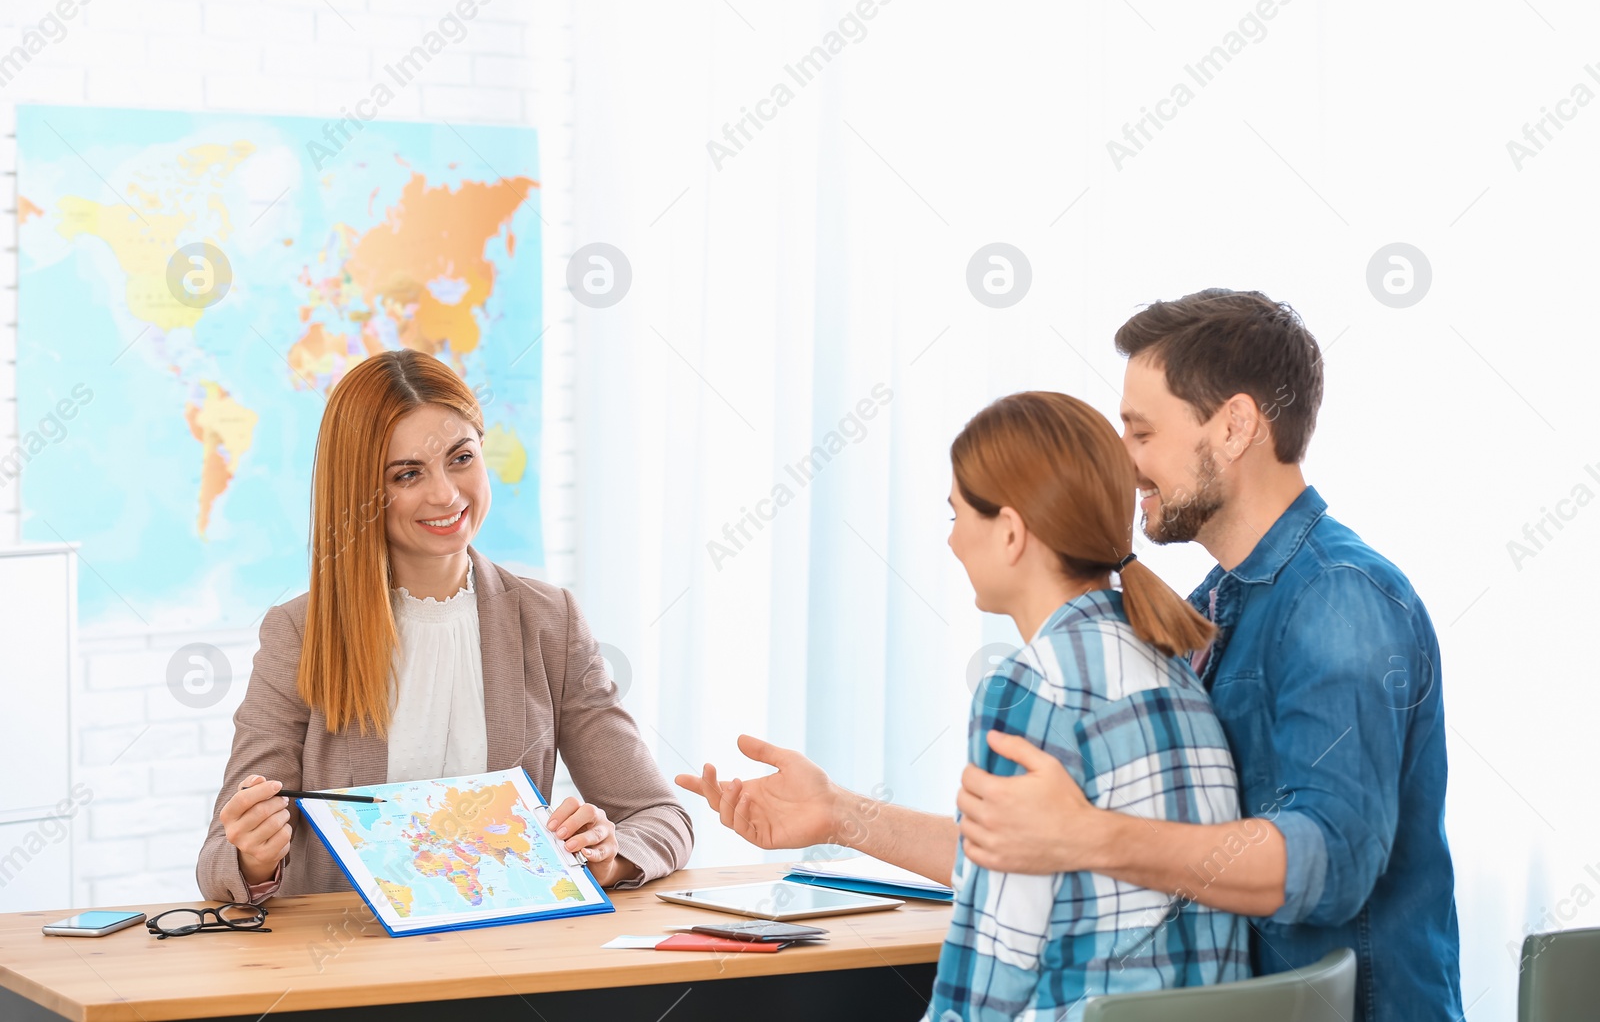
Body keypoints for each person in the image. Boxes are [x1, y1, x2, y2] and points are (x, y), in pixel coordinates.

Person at [678, 291, 1460, 1022]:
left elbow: (1333, 865)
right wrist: (842, 814)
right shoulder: (1205, 614)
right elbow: (1037, 852)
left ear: (1234, 425)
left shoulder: (1339, 600)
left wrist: (1087, 835)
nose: (1122, 462)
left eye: (1142, 431)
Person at [197, 349, 692, 902]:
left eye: (460, 458)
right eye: (408, 474)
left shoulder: (550, 621)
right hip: (344, 970)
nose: (446, 494)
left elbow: (661, 817)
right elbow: (218, 857)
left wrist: (607, 858)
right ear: (361, 492)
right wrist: (253, 856)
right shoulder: (299, 632)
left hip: (507, 957)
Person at [927, 391, 1249, 1019]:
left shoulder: (1030, 687)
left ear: (1012, 532)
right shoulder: (1175, 666)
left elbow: (993, 962)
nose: (953, 544)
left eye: (956, 517)